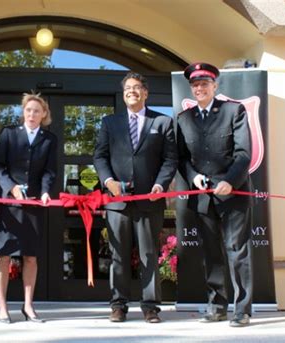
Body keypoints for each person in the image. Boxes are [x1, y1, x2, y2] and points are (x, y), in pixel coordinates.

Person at [93, 72, 178, 323]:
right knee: (118, 254)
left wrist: (161, 185)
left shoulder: (162, 122)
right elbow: (100, 156)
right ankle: (118, 305)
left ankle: (150, 306)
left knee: (149, 254)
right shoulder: (110, 123)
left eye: (137, 87)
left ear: (146, 93)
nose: (132, 91)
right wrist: (108, 182)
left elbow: (170, 158)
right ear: (124, 93)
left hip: (150, 200)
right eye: (128, 88)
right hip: (117, 201)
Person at [177, 62, 253, 327]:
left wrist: (230, 181)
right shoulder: (183, 119)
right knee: (211, 254)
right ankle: (216, 306)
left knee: (237, 251)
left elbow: (244, 153)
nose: (200, 88)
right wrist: (192, 175)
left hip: (233, 194)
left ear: (215, 85)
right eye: (195, 84)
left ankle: (242, 309)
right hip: (204, 196)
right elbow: (183, 158)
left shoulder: (234, 111)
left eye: (204, 83)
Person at [0, 93, 57, 324]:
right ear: (23, 112)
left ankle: (28, 306)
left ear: (44, 115)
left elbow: (50, 171)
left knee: (31, 257)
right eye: (28, 110)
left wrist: (46, 191)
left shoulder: (50, 140)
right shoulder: (9, 134)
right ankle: (2, 307)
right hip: (9, 204)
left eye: (37, 111)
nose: (32, 114)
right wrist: (11, 188)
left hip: (34, 206)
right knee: (4, 255)